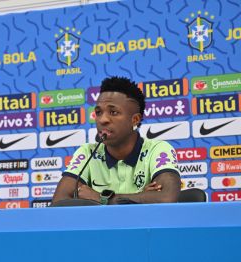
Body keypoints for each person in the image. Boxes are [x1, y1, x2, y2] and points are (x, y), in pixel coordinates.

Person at [52, 76, 181, 205]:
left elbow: (166, 198)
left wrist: (100, 198)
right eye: (98, 112)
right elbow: (59, 203)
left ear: (135, 120)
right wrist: (141, 197)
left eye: (113, 112)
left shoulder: (157, 149)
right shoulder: (88, 153)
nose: (103, 120)